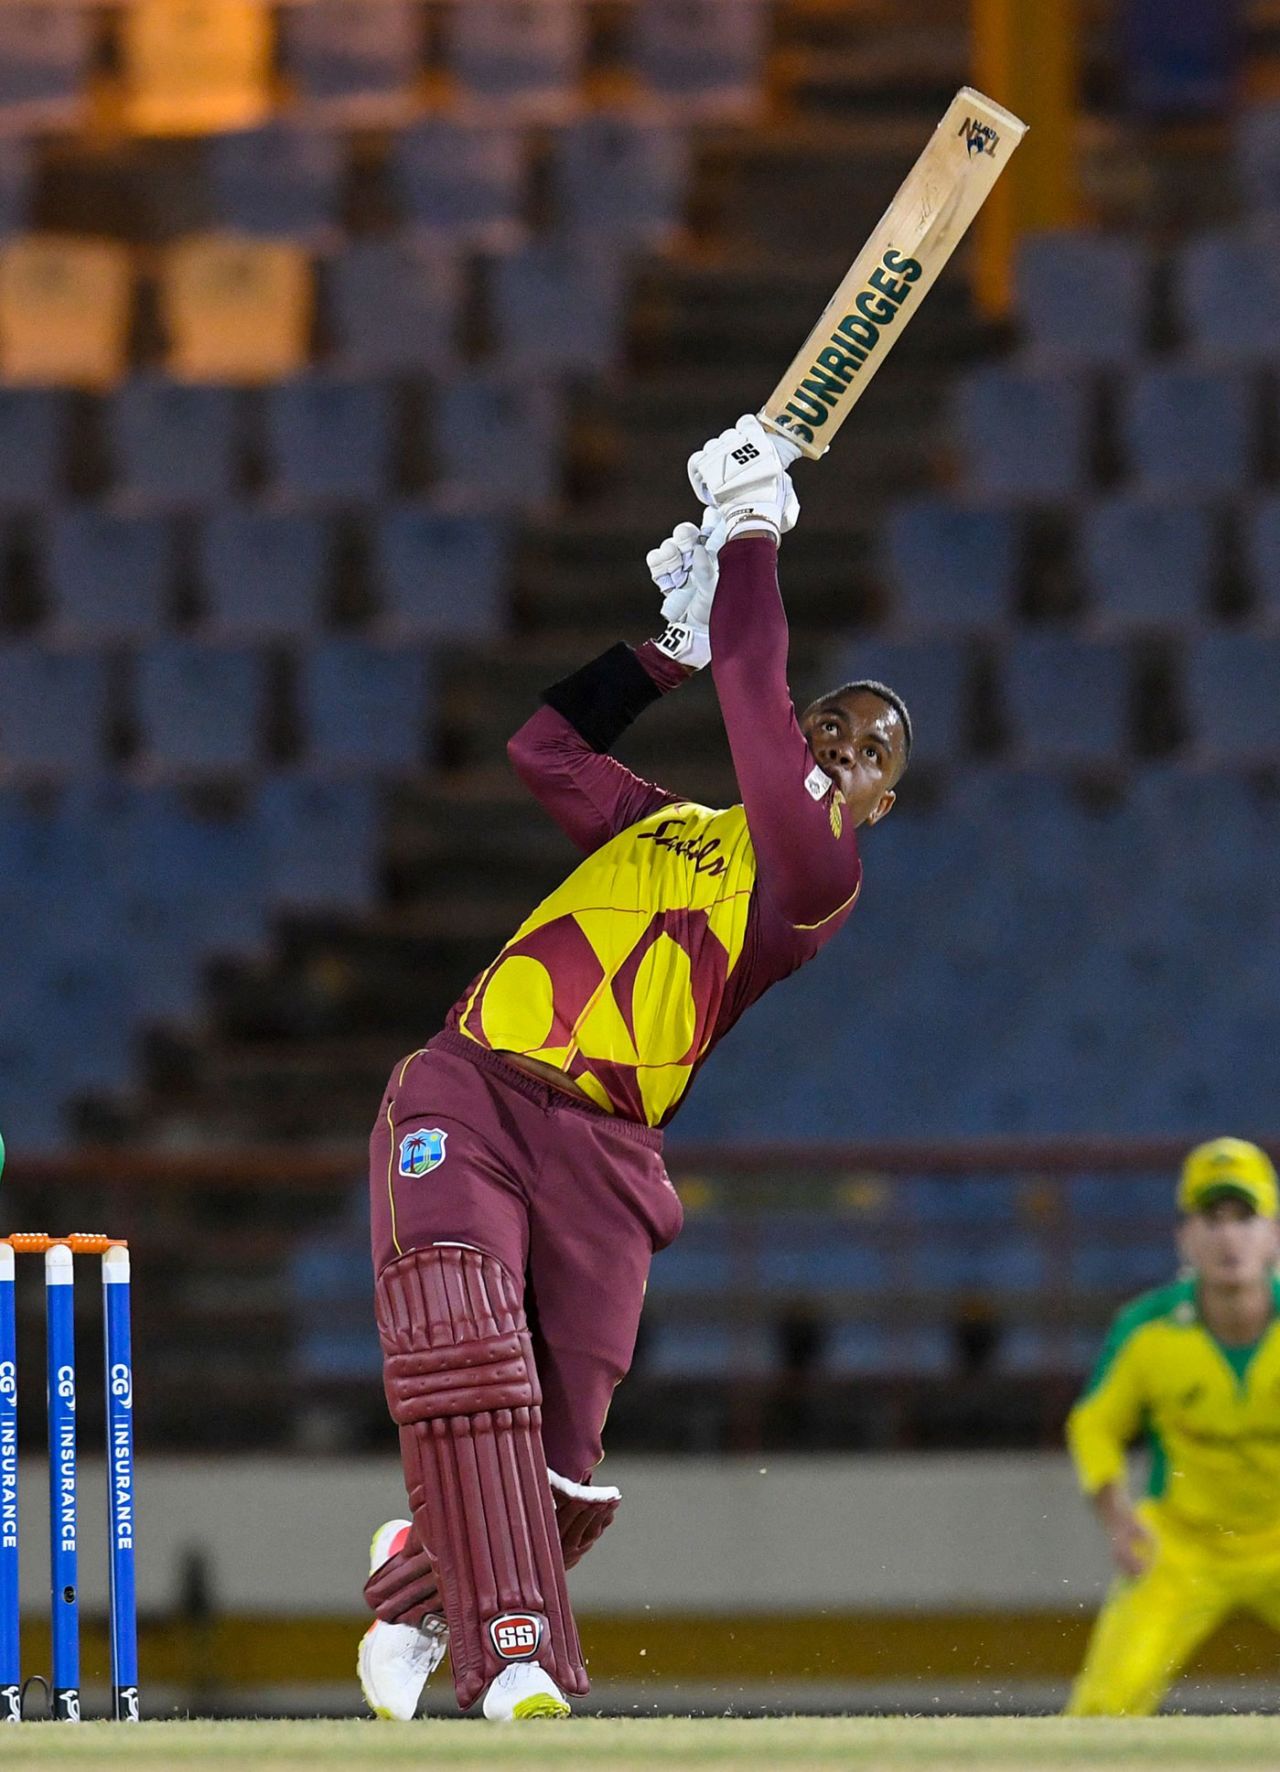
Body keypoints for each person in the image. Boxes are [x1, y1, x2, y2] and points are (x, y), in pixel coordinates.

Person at [356, 417, 911, 1722]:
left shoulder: (815, 879)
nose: (848, 746)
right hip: (473, 1087)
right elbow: (541, 753)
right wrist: (662, 646)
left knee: (555, 1476)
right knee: (464, 1344)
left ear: (880, 803)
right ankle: (515, 1658)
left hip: (607, 1153)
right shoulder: (665, 826)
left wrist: (752, 541)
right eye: (841, 722)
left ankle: (412, 1583)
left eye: (877, 751)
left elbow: (759, 698)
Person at [1066, 1136, 1280, 1716]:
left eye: (1246, 1217)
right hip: (1179, 1545)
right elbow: (1094, 1425)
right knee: (1101, 1712)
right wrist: (1115, 1515)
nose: (1228, 1236)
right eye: (1212, 1218)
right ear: (1185, 1238)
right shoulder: (1146, 1329)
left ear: (1273, 1236)